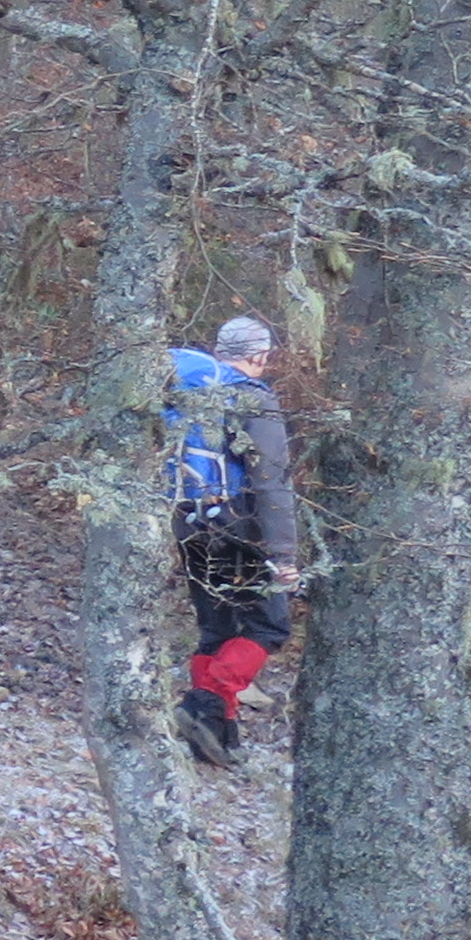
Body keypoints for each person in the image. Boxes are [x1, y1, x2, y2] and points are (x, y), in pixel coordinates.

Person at [179, 314, 299, 768]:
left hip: (187, 522)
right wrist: (283, 553)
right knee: (269, 625)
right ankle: (205, 703)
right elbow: (271, 481)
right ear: (260, 356)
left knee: (217, 628)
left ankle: (217, 734)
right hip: (236, 528)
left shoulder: (191, 389)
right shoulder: (254, 399)